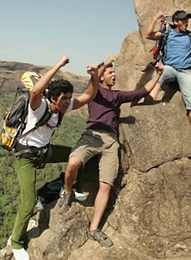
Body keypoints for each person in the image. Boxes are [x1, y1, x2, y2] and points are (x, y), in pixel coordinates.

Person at [58, 55, 162, 248]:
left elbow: (141, 92)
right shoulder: (96, 92)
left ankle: (94, 229)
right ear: (103, 76)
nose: (114, 74)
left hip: (111, 142)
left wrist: (158, 75)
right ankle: (67, 192)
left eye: (114, 72)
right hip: (92, 135)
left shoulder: (117, 96)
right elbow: (94, 79)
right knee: (73, 162)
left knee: (106, 185)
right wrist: (105, 63)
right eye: (110, 72)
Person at [9, 55, 99, 260]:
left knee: (78, 156)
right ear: (53, 98)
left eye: (69, 97)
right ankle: (16, 242)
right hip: (27, 157)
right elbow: (35, 91)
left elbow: (89, 96)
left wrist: (94, 76)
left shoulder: (63, 108)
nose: (68, 102)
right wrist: (58, 65)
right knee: (28, 202)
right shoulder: (39, 107)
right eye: (64, 98)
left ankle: (63, 186)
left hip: (45, 151)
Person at [144, 10, 191, 142]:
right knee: (159, 75)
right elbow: (148, 35)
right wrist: (155, 18)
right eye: (183, 20)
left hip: (186, 71)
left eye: (187, 20)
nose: (186, 22)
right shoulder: (167, 33)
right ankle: (149, 102)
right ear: (176, 22)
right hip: (169, 68)